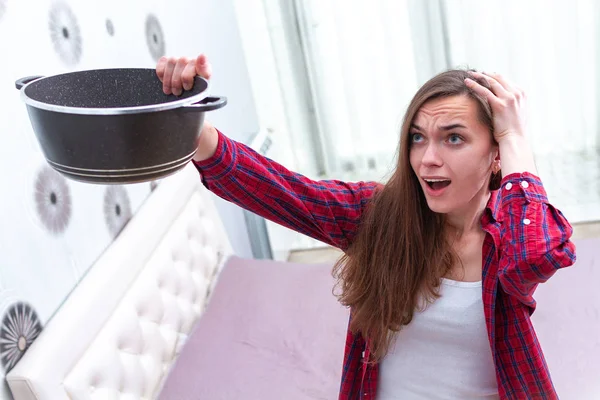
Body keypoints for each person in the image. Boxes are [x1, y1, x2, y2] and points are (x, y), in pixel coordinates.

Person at [156, 54, 576, 400]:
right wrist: (195, 125)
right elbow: (283, 191)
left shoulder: (509, 234)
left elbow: (538, 256)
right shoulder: (380, 217)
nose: (427, 158)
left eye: (453, 138)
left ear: (497, 153)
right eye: (417, 137)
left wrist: (516, 137)